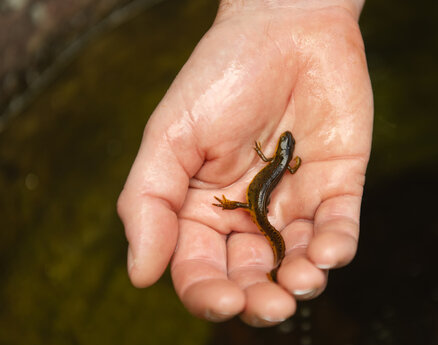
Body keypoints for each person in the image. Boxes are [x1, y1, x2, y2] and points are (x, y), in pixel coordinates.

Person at [117, 0, 373, 327]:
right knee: (255, 211)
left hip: (255, 202)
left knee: (251, 209)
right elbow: (284, 165)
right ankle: (274, 253)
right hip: (259, 200)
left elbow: (275, 163)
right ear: (286, 153)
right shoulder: (281, 163)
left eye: (286, 145)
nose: (284, 145)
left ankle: (274, 254)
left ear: (285, 152)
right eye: (285, 146)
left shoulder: (275, 163)